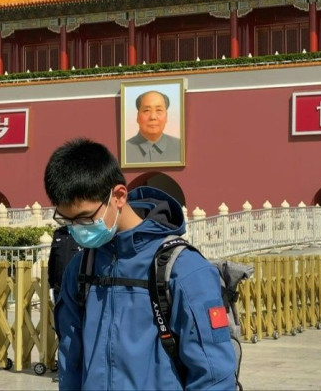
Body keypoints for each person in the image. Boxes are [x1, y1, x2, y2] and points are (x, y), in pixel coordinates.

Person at [44, 138, 236, 390]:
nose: (78, 229)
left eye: (85, 218)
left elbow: (214, 376)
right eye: (68, 221)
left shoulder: (183, 270)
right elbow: (71, 360)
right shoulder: (80, 269)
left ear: (119, 196)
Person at [125, 90, 182, 164]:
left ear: (166, 117)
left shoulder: (180, 148)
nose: (153, 117)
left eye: (159, 110)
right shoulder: (125, 150)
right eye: (146, 111)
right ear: (138, 117)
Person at [47, 226, 81, 302]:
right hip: (59, 287)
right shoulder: (58, 233)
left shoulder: (82, 233)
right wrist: (51, 286)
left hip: (76, 287)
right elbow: (52, 262)